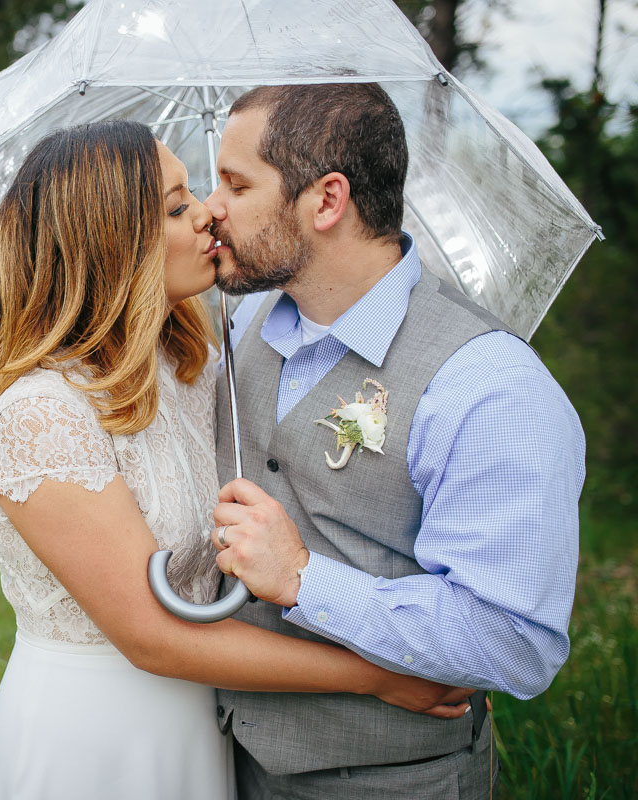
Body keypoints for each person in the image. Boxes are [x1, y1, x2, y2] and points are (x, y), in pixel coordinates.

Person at [0, 119, 475, 800]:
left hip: (200, 728)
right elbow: (150, 636)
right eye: (176, 208)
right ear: (110, 240)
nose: (207, 212)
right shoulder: (41, 412)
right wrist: (376, 673)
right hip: (94, 739)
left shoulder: (195, 370)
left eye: (195, 193)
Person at [204, 83, 585, 799]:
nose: (210, 207)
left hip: (395, 782)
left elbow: (514, 642)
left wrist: (304, 579)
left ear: (326, 200)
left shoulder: (489, 385)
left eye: (236, 183)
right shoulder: (247, 325)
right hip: (230, 762)